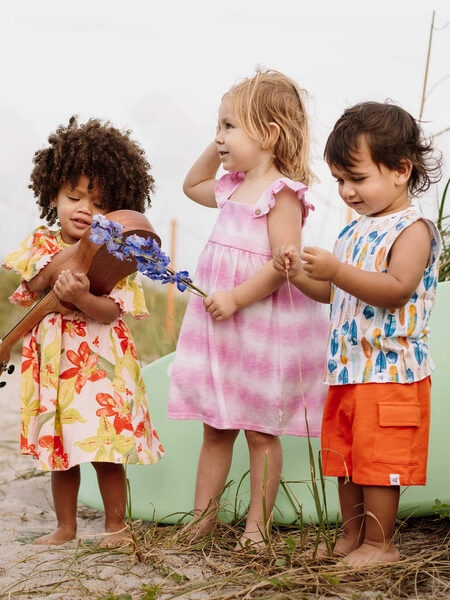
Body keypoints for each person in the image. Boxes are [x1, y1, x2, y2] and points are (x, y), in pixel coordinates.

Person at [274, 101, 442, 566]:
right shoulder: (355, 231)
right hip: (348, 369)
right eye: (340, 181)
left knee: (378, 461)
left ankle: (379, 544)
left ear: (400, 170)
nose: (347, 191)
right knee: (346, 460)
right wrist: (297, 275)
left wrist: (335, 268)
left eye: (358, 178)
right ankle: (350, 538)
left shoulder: (413, 230)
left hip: (392, 373)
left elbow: (393, 290)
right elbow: (334, 294)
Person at [168, 69, 328, 549]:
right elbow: (191, 184)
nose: (220, 136)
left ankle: (256, 530)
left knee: (260, 433)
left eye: (230, 126)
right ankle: (202, 519)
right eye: (219, 126)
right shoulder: (230, 186)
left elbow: (285, 264)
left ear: (270, 134)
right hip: (222, 328)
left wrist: (237, 297)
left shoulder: (282, 195)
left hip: (259, 331)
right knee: (215, 429)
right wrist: (217, 143)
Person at [3, 117, 164, 547]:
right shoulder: (41, 243)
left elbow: (113, 312)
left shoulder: (118, 253)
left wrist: (84, 297)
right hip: (55, 365)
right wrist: (72, 264)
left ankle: (116, 526)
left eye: (98, 203)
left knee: (106, 449)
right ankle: (65, 526)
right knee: (62, 452)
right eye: (73, 196)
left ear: (116, 209)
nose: (84, 209)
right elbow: (35, 285)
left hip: (99, 365)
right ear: (51, 193)